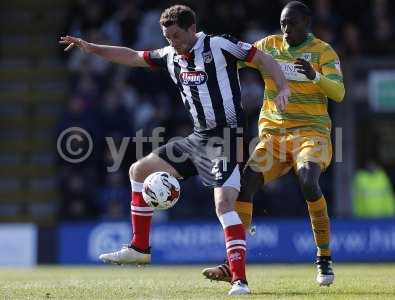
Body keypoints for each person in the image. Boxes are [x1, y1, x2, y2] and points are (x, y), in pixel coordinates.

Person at [60, 4, 290, 295]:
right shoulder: (169, 55)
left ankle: (239, 280)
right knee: (139, 169)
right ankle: (140, 247)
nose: (173, 43)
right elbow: (131, 56)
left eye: (178, 37)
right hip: (196, 139)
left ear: (192, 29)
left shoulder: (219, 45)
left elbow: (264, 59)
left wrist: (282, 87)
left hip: (227, 139)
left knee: (223, 205)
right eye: (168, 38)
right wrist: (91, 48)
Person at [202, 1, 345, 287]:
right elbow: (237, 58)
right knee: (246, 185)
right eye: (282, 23)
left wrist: (314, 76)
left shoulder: (323, 51)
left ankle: (324, 256)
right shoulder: (269, 45)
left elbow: (339, 93)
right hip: (274, 137)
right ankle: (234, 265)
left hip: (311, 134)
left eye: (292, 23)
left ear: (306, 22)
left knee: (308, 181)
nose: (286, 29)